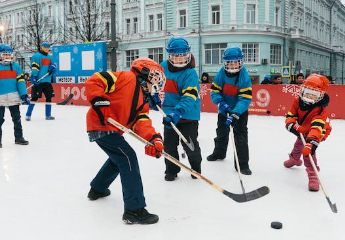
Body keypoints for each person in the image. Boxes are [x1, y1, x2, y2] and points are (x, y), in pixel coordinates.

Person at [85, 58, 165, 225]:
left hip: (111, 129)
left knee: (118, 159)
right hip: (101, 123)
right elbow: (96, 80)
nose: (157, 82)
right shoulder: (126, 78)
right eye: (156, 77)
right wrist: (99, 100)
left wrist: (153, 138)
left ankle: (97, 189)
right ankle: (134, 210)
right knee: (128, 157)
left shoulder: (143, 100)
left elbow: (141, 122)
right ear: (145, 72)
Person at [160, 36, 202, 181]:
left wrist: (178, 112)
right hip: (169, 113)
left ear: (188, 54)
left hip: (188, 113)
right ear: (169, 55)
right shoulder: (162, 68)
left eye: (183, 55)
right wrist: (151, 97)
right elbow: (153, 85)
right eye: (176, 56)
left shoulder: (190, 73)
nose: (180, 59)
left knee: (190, 144)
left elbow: (189, 97)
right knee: (169, 145)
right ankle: (171, 169)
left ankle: (196, 168)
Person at [207, 46, 253, 175]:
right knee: (221, 132)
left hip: (239, 112)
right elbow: (215, 91)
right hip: (224, 110)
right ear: (225, 63)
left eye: (235, 62)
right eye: (229, 62)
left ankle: (242, 164)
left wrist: (235, 112)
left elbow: (245, 99)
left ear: (240, 62)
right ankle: (219, 153)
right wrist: (221, 104)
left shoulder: (244, 76)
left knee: (240, 137)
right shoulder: (221, 73)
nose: (232, 65)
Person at [284, 74, 331, 191]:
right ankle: (295, 158)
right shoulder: (297, 101)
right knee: (298, 144)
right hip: (303, 129)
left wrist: (311, 142)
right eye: (307, 91)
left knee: (308, 152)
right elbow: (291, 115)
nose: (309, 96)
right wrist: (291, 124)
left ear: (320, 96)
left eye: (314, 94)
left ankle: (313, 174)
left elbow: (316, 127)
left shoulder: (320, 110)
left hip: (318, 132)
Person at [0, 44, 30, 148]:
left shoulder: (16, 66)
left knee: (17, 118)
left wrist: (23, 95)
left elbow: (21, 82)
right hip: (0, 97)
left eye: (9, 55)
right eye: (5, 55)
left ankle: (19, 138)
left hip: (14, 96)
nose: (7, 57)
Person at [25, 42, 56, 121]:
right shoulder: (36, 56)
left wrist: (53, 68)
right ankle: (28, 115)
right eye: (44, 47)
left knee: (49, 98)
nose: (46, 49)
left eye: (47, 47)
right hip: (39, 81)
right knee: (34, 98)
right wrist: (34, 77)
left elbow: (53, 67)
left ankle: (48, 115)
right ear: (42, 47)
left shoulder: (50, 57)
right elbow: (34, 67)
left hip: (47, 81)